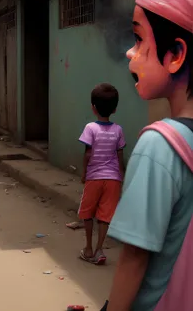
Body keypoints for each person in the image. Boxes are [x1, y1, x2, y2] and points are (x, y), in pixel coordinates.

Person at [103, 0, 193, 311]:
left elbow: (134, 258)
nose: (130, 52)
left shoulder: (161, 147)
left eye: (139, 39)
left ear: (175, 55)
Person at [78, 83, 126, 265]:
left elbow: (88, 153)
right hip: (113, 179)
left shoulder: (90, 128)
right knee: (105, 216)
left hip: (95, 177)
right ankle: (100, 249)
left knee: (87, 213)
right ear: (114, 109)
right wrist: (120, 174)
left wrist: (84, 173)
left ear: (93, 108)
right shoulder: (118, 130)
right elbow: (120, 154)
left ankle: (88, 248)